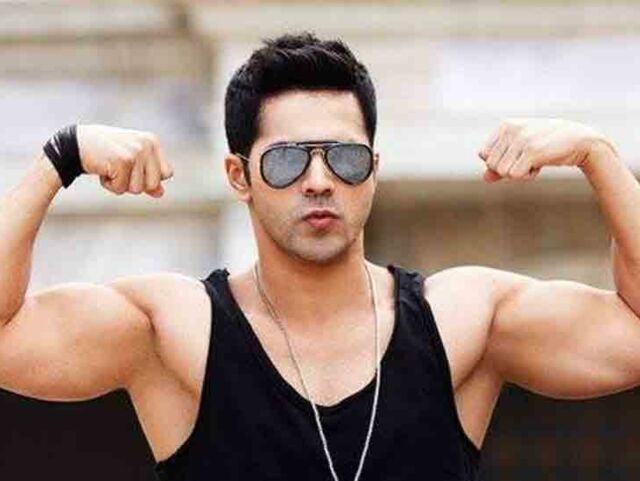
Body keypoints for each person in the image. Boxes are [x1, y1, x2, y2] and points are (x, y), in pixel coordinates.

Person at [1, 31, 639, 481]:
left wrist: (599, 156)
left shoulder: (460, 321)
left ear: (374, 170)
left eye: (344, 157)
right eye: (286, 160)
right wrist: (60, 158)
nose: (318, 181)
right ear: (239, 175)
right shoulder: (177, 332)